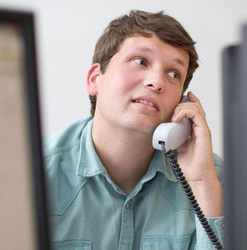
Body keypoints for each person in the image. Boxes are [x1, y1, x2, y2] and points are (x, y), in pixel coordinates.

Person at [44, 10, 224, 250]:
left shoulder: (212, 177)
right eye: (141, 61)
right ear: (95, 79)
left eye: (174, 74)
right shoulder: (32, 171)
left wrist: (203, 183)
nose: (157, 82)